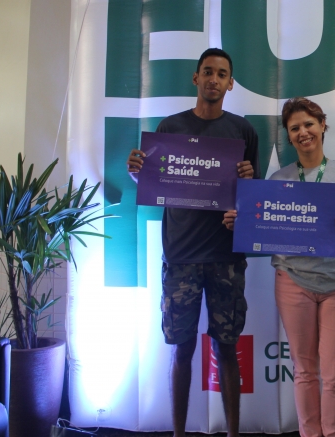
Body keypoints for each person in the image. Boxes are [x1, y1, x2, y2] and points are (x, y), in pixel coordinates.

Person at [126, 48, 259, 437]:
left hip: (226, 256)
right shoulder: (170, 127)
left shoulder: (243, 131)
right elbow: (154, 182)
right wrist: (138, 174)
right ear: (196, 78)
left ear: (230, 83)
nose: (214, 79)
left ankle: (232, 433)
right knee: (181, 348)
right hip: (181, 255)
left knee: (227, 348)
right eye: (208, 72)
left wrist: (249, 180)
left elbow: (253, 198)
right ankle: (179, 433)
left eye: (222, 74)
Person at [223, 97, 335, 437]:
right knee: (304, 371)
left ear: (323, 126)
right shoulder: (278, 178)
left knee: (334, 375)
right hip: (293, 282)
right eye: (295, 128)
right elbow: (264, 225)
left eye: (309, 124)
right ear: (289, 135)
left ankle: (332, 434)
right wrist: (241, 223)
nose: (303, 132)